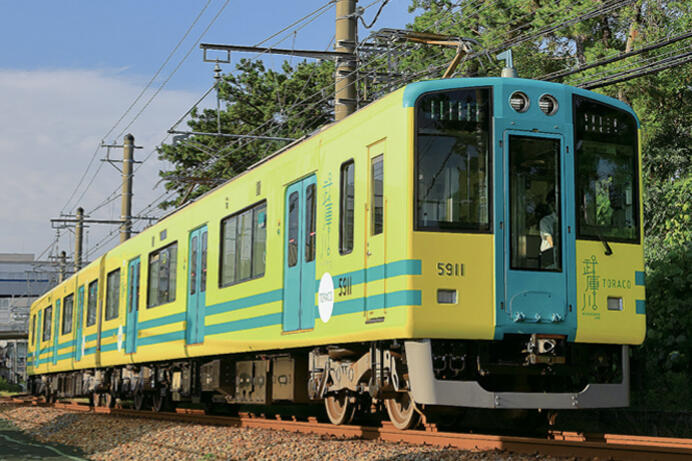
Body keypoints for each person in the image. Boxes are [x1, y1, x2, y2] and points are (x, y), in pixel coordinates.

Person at [539, 189, 558, 268]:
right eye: (551, 203)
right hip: (549, 257)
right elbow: (550, 241)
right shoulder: (545, 221)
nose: (553, 205)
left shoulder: (567, 220)